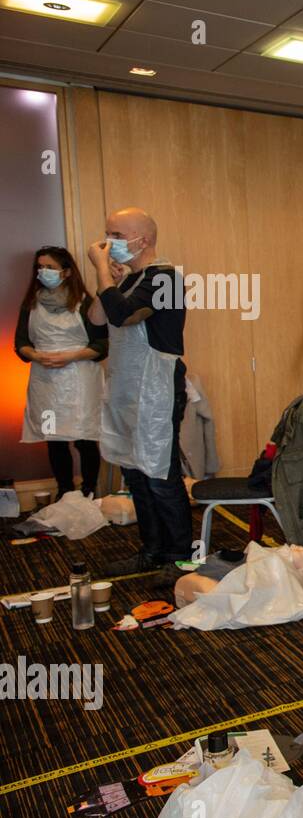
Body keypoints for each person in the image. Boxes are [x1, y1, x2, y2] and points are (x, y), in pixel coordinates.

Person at [86, 208, 192, 579]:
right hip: (125, 390)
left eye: (115, 234)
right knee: (135, 475)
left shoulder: (166, 279)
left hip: (156, 390)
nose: (107, 242)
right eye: (107, 233)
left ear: (142, 240)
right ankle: (152, 550)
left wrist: (102, 270)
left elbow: (124, 315)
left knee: (160, 475)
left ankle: (180, 557)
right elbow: (96, 321)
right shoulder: (129, 280)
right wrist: (109, 279)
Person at [15, 246, 106, 498]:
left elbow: (102, 344)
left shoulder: (85, 302)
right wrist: (37, 355)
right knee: (53, 438)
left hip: (81, 379)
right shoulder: (31, 304)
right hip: (45, 383)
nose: (43, 271)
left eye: (50, 267)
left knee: (85, 438)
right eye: (40, 267)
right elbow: (20, 343)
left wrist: (70, 356)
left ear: (66, 272)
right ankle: (64, 490)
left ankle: (89, 491)